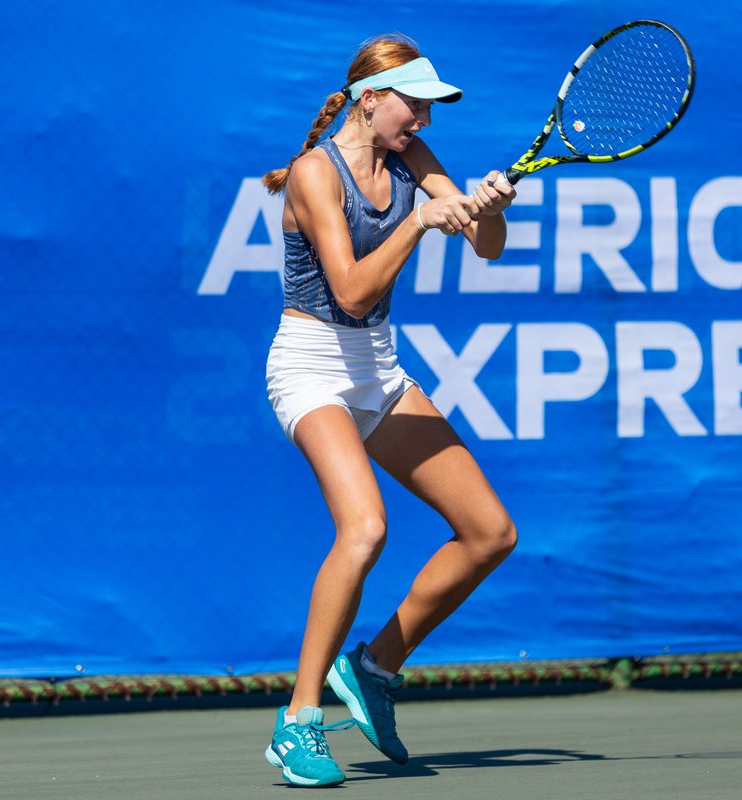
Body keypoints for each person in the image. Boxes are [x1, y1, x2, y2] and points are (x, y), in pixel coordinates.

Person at [259, 35, 518, 788]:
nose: (425, 122)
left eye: (432, 108)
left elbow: (488, 247)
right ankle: (298, 720)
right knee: (365, 528)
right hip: (310, 368)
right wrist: (418, 223)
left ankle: (374, 667)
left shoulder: (412, 161)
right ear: (371, 99)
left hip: (378, 371)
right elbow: (350, 294)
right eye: (416, 104)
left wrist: (488, 210)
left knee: (489, 532)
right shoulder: (314, 172)